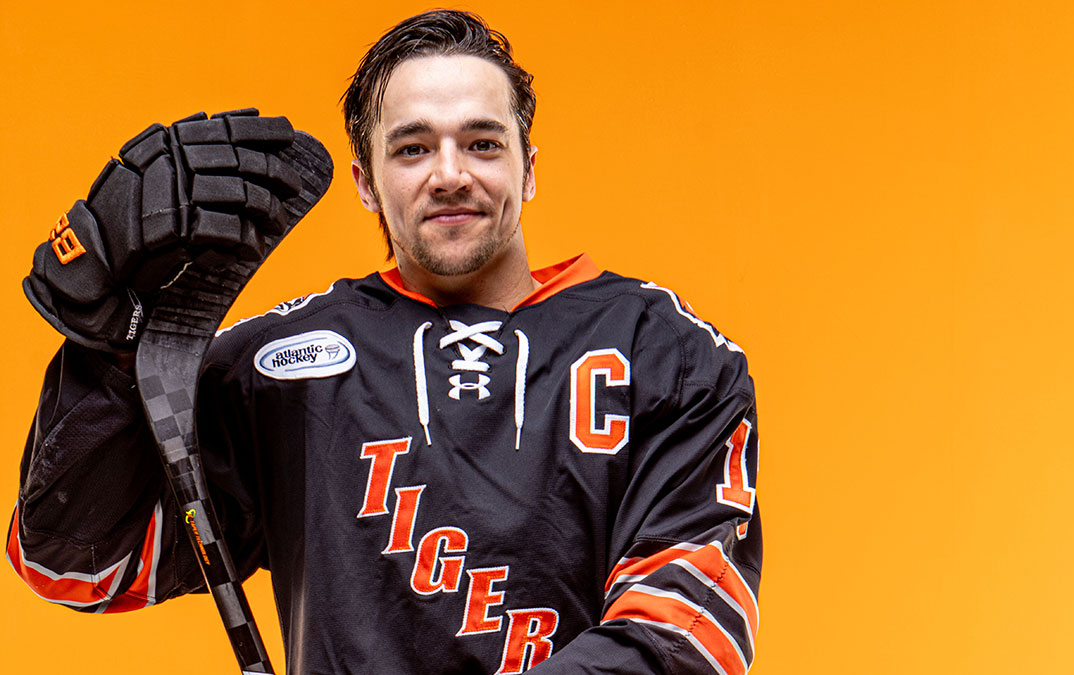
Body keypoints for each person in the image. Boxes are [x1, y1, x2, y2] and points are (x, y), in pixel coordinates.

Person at [8, 9, 762, 674]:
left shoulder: (672, 354)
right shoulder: (278, 366)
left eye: (482, 143)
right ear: (366, 182)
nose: (450, 173)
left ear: (530, 169)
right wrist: (105, 353)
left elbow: (690, 629)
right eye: (411, 149)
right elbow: (76, 563)